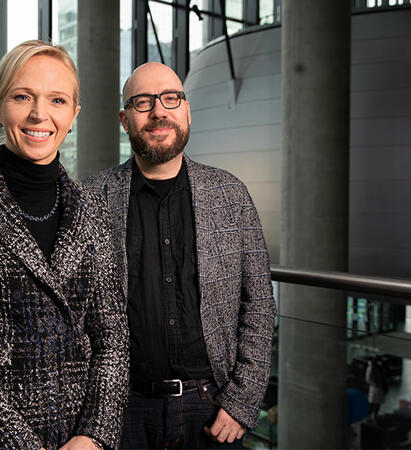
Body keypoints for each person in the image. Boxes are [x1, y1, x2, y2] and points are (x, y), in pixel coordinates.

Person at [0, 40, 129, 449]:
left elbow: (112, 339)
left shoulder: (94, 209)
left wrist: (93, 436)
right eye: (22, 96)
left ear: (73, 115)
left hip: (78, 439)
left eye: (57, 100)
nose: (39, 114)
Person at [84, 62, 276, 448]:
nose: (158, 111)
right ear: (125, 120)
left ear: (186, 110)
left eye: (170, 99)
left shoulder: (230, 194)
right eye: (143, 102)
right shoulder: (90, 199)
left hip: (212, 408)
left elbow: (258, 305)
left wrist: (241, 401)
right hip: (118, 412)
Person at [365, 357, 387, 423]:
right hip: (375, 388)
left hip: (380, 388)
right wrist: (375, 384)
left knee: (378, 403)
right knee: (372, 404)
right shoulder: (371, 368)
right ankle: (369, 416)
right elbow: (368, 379)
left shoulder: (380, 368)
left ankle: (375, 416)